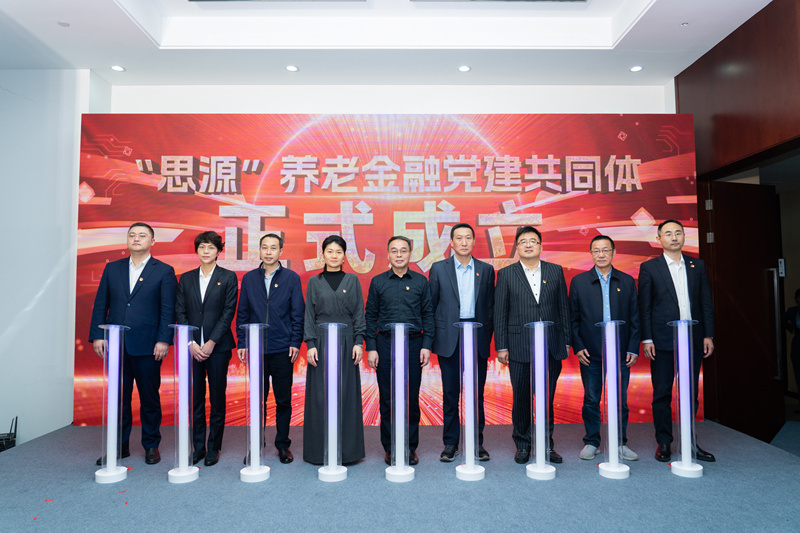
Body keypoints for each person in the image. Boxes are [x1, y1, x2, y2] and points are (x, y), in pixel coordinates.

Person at [89, 222, 176, 465]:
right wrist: (98, 335)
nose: (136, 239)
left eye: (142, 235)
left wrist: (163, 340)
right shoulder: (112, 268)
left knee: (149, 398)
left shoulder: (164, 271)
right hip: (116, 344)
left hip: (148, 344)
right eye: (132, 235)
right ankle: (119, 446)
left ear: (152, 241)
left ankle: (151, 445)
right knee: (118, 398)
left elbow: (167, 310)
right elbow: (101, 303)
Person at [638, 219, 716, 463]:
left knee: (690, 392)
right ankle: (664, 442)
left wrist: (708, 334)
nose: (674, 237)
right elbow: (645, 307)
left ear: (683, 237)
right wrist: (647, 338)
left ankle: (689, 441)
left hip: (693, 338)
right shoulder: (650, 268)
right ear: (659, 239)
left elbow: (705, 302)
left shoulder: (697, 265)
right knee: (661, 392)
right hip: (662, 340)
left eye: (678, 233)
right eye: (668, 233)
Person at [494, 225, 570, 464]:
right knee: (522, 398)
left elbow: (563, 308)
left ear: (540, 246)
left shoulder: (555, 271)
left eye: (533, 241)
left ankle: (546, 444)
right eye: (523, 241)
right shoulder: (506, 274)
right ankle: (523, 444)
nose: (528, 245)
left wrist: (567, 340)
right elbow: (500, 313)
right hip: (519, 346)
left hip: (550, 345)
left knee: (547, 398)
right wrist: (502, 346)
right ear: (517, 247)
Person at [569, 235, 640, 461]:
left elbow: (635, 318)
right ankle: (592, 442)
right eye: (596, 251)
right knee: (591, 399)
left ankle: (620, 443)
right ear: (591, 254)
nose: (601, 255)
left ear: (613, 252)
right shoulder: (579, 282)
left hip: (620, 352)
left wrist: (633, 347)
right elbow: (573, 319)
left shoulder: (626, 281)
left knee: (620, 400)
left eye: (605, 250)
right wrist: (578, 346)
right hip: (591, 352)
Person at [366, 236, 434, 466]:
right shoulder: (378, 282)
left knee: (411, 398)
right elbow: (370, 316)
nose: (399, 255)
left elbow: (428, 315)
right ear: (388, 254)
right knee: (387, 398)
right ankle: (390, 447)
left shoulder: (421, 281)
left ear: (410, 254)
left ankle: (410, 447)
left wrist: (426, 345)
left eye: (403, 250)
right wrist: (372, 348)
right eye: (394, 250)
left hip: (413, 344)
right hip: (385, 344)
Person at [429, 223, 495, 462]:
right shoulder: (439, 269)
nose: (464, 242)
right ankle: (450, 443)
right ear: (451, 242)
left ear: (474, 241)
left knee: (477, 394)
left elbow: (490, 307)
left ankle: (477, 442)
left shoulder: (486, 270)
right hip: (450, 337)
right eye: (459, 238)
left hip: (477, 336)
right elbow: (431, 305)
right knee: (450, 393)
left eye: (468, 237)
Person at [236, 233, 304, 464]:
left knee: (283, 400)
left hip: (282, 348)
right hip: (256, 348)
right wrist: (243, 342)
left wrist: (295, 342)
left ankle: (283, 444)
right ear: (259, 250)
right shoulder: (249, 278)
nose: (268, 252)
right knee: (258, 400)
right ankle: (256, 444)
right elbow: (243, 313)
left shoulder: (291, 278)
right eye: (264, 247)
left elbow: (297, 313)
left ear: (280, 251)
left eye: (273, 248)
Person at [175, 231, 238, 467]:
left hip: (218, 348)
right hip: (192, 348)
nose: (206, 251)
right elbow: (180, 311)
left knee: (217, 397)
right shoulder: (186, 278)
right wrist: (190, 343)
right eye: (202, 247)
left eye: (211, 247)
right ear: (196, 250)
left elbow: (228, 312)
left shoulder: (228, 277)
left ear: (219, 251)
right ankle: (198, 446)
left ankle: (214, 447)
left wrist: (211, 342)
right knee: (196, 398)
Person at [303, 235, 366, 465]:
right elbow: (309, 315)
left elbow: (359, 313)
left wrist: (359, 341)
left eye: (338, 252)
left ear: (344, 256)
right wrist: (310, 344)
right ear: (323, 254)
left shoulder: (352, 280)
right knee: (320, 396)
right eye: (329, 251)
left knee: (346, 394)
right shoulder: (314, 281)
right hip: (320, 342)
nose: (334, 256)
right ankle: (318, 451)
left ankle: (348, 452)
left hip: (347, 342)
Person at [783, 289, 800, 412]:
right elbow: (783, 319)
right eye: (798, 297)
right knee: (798, 375)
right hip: (797, 346)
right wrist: (792, 329)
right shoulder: (793, 311)